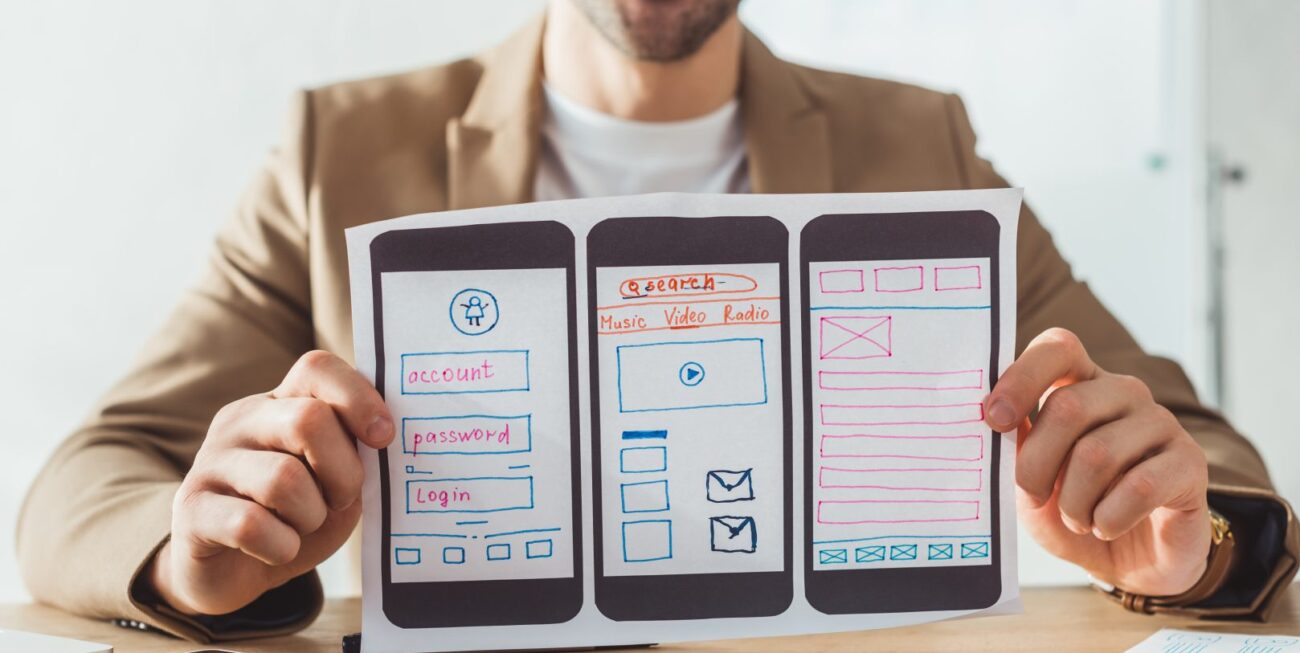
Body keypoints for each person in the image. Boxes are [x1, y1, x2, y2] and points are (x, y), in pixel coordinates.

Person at [17, 0, 1298, 643]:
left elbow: (1199, 453)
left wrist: (1185, 545)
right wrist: (199, 557)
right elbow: (91, 477)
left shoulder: (923, 142)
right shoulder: (339, 149)